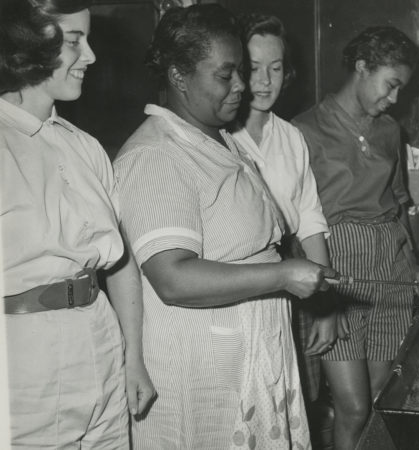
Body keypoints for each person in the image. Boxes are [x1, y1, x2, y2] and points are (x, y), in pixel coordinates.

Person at [113, 5, 336, 449]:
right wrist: (282, 274)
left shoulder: (221, 137)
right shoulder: (157, 155)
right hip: (202, 363)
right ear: (179, 75)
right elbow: (173, 278)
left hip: (249, 350)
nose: (242, 86)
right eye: (226, 74)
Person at [0, 0, 136, 447]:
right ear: (28, 42)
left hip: (99, 337)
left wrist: (133, 356)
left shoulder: (86, 147)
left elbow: (119, 262)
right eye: (75, 41)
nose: (92, 56)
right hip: (24, 360)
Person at [293, 26, 419, 449]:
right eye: (390, 85)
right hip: (337, 266)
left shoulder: (390, 131)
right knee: (352, 406)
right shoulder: (303, 131)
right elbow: (297, 221)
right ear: (362, 67)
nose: (394, 99)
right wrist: (320, 297)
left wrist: (414, 262)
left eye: (400, 89)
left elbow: (400, 200)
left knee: (381, 394)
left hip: (391, 265)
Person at [231, 13, 343, 411]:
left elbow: (310, 221)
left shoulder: (291, 136)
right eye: (253, 68)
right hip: (238, 281)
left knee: (298, 400)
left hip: (290, 269)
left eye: (275, 68)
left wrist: (325, 303)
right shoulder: (221, 138)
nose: (264, 81)